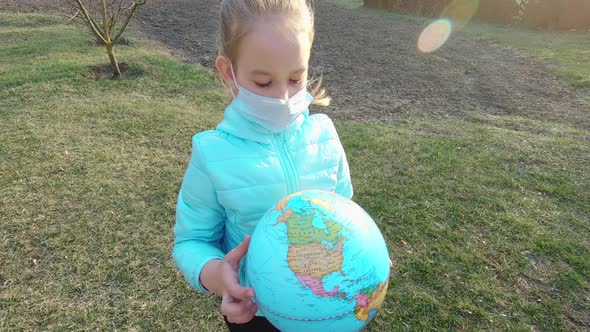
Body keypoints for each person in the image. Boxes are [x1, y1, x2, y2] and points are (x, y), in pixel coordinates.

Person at [172, 0, 352, 330]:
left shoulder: (325, 136)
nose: (283, 97)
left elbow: (345, 216)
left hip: (326, 305)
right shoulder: (212, 153)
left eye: (296, 78)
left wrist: (363, 253)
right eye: (264, 83)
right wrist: (219, 277)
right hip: (256, 314)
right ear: (229, 73)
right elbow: (190, 242)